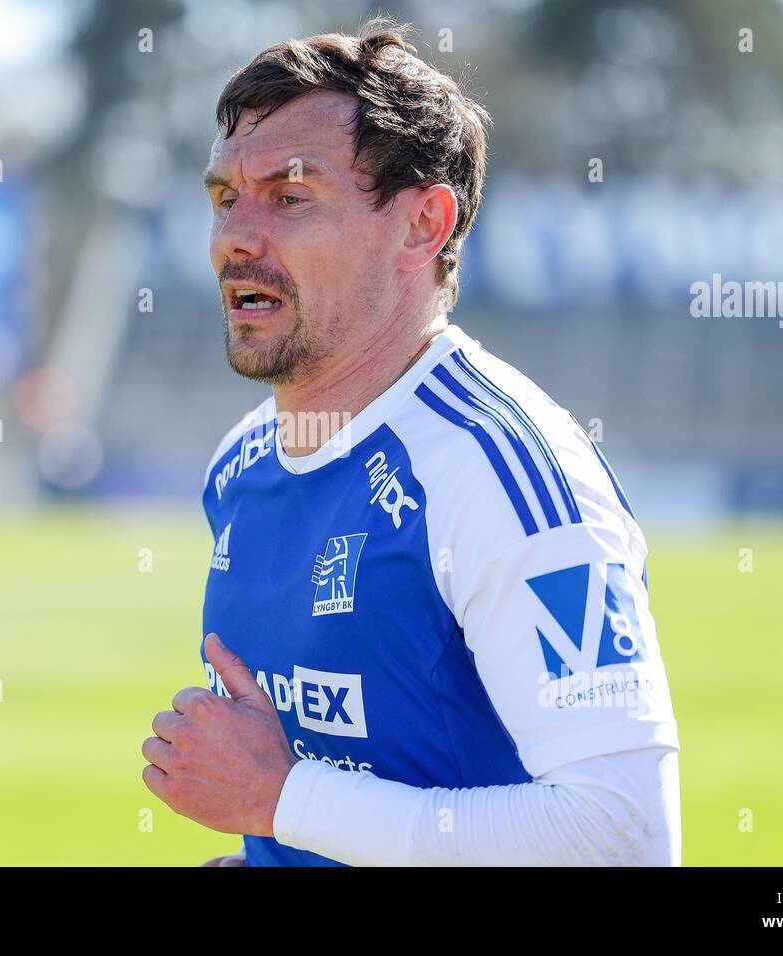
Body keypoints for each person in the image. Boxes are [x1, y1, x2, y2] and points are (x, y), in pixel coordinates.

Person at [141, 18, 681, 866]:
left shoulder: (497, 472)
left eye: (290, 197)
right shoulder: (240, 465)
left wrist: (280, 802)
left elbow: (623, 837)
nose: (235, 237)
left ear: (423, 225)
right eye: (224, 197)